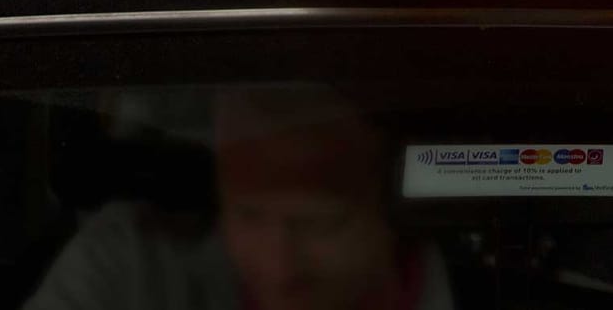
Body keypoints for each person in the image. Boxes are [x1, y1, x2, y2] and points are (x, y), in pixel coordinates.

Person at [24, 86, 455, 310]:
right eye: (249, 216)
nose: (278, 267)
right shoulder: (128, 266)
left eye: (318, 224)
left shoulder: (491, 290)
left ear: (393, 213)